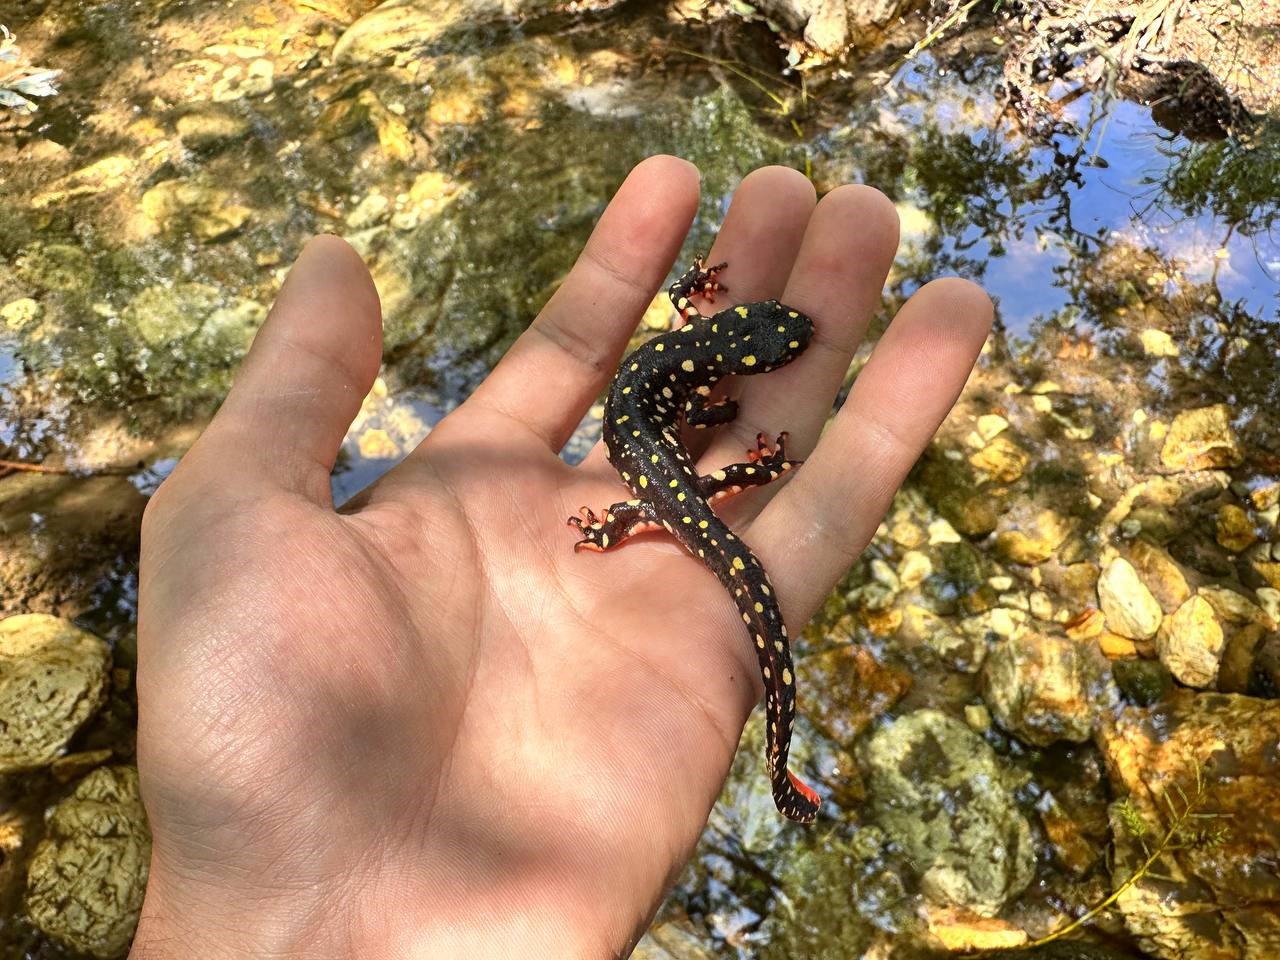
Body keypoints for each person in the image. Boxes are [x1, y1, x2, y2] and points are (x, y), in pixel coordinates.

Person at [129, 156, 993, 958]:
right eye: (780, 343)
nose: (793, 341)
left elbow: (692, 348)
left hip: (655, 483)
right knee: (699, 527)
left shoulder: (702, 340)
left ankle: (723, 634)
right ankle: (766, 725)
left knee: (694, 525)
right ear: (741, 335)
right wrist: (740, 455)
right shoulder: (702, 364)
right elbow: (698, 378)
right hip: (655, 486)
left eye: (784, 341)